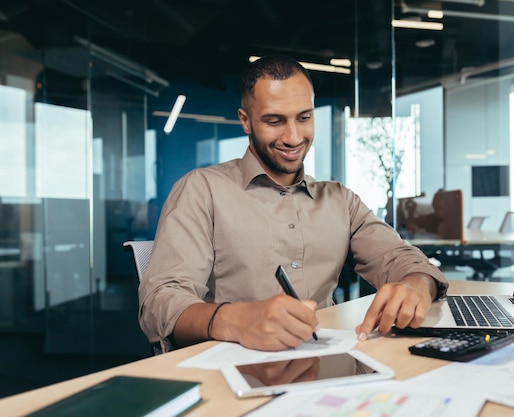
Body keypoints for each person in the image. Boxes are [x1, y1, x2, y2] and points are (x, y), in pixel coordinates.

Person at [138, 55, 449, 353]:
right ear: (245, 121)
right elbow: (159, 302)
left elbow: (400, 257)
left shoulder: (340, 200)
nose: (293, 136)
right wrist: (236, 319)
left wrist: (417, 285)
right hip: (232, 372)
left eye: (304, 117)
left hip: (325, 364)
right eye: (274, 121)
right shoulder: (201, 190)